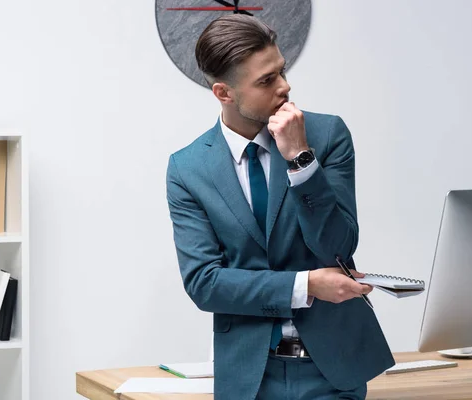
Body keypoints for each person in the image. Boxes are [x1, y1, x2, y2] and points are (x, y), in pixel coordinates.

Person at [166, 14, 394, 400]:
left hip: (334, 371)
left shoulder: (326, 135)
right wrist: (305, 285)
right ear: (224, 93)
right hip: (250, 377)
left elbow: (338, 247)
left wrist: (302, 160)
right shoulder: (188, 168)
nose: (285, 87)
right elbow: (205, 283)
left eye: (282, 71)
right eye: (266, 80)